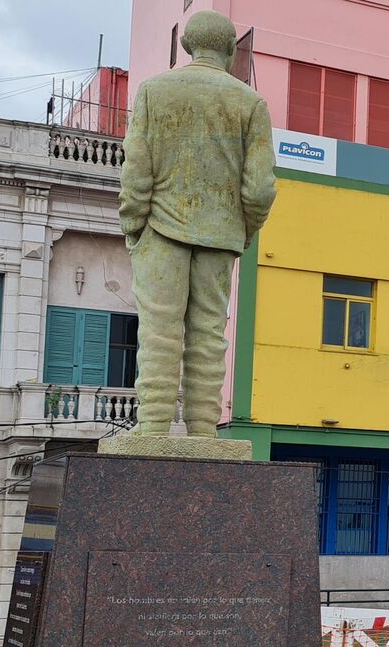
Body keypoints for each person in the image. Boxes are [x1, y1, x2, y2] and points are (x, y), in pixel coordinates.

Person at [117, 10, 277, 438]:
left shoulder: (154, 92)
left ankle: (151, 426)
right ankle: (204, 430)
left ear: (187, 45)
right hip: (221, 233)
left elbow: (136, 172)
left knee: (159, 330)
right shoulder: (250, 103)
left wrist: (134, 224)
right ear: (229, 50)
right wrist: (244, 229)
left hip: (160, 229)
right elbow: (260, 188)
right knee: (209, 333)